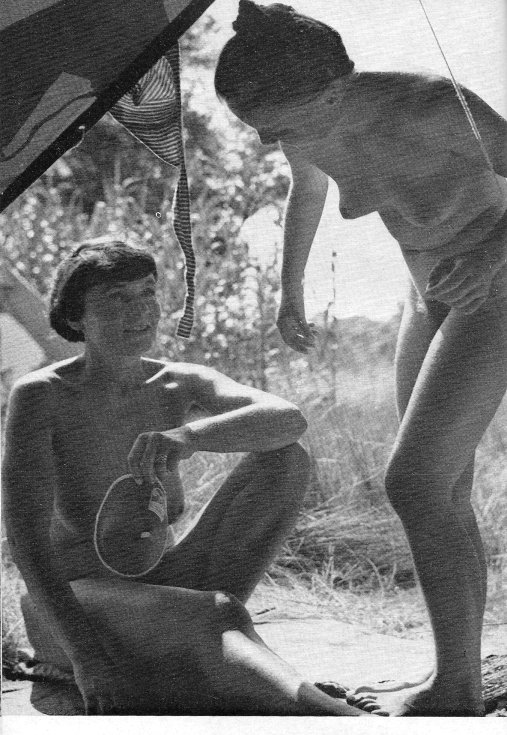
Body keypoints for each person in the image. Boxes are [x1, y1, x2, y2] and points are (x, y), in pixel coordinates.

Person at [214, 0, 507, 717]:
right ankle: (458, 680)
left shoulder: (435, 105)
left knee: (414, 481)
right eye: (257, 129)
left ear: (333, 93)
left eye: (277, 127)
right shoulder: (304, 121)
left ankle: (454, 691)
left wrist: (492, 257)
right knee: (442, 489)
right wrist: (289, 289)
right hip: (426, 291)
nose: (269, 142)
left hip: (496, 283)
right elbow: (307, 187)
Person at [2, 239, 371, 716]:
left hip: (167, 584)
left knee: (287, 460)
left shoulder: (177, 382)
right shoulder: (41, 395)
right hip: (76, 603)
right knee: (215, 612)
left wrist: (190, 436)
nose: (140, 310)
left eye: (147, 291)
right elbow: (26, 542)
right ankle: (338, 717)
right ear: (76, 318)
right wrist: (86, 658)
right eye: (116, 298)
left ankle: (224, 662)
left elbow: (288, 419)